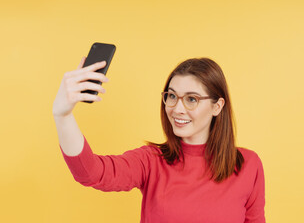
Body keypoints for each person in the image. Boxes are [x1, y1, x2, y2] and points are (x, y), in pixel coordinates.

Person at [53, 57, 266, 223]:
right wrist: (63, 116)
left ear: (217, 106)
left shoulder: (248, 164)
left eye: (191, 99)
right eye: (172, 96)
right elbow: (91, 172)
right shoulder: (151, 161)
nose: (177, 108)